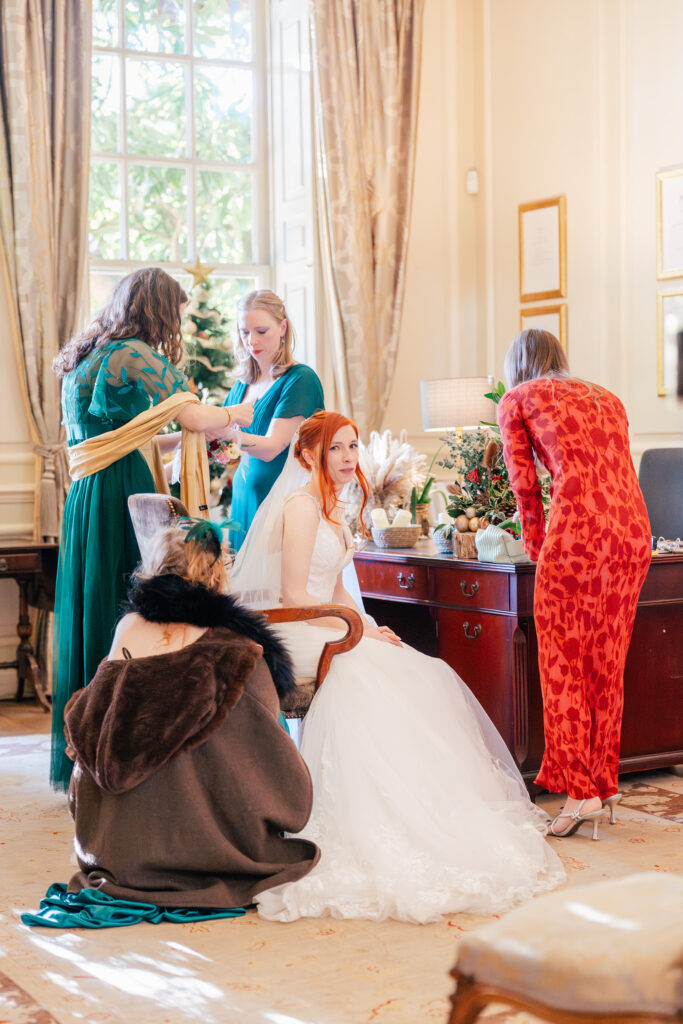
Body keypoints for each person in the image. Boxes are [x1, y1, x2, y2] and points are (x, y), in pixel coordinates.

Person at [230, 411, 565, 924]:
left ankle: (426, 812)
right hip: (293, 630)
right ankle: (362, 814)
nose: (349, 458)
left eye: (353, 447)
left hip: (327, 621)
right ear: (308, 456)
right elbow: (296, 596)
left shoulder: (333, 507)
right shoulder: (299, 507)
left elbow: (336, 587)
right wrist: (350, 631)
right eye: (337, 449)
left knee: (419, 668)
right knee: (368, 676)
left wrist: (364, 624)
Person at [35, 519, 318, 925]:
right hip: (192, 841)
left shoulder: (127, 626)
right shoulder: (233, 646)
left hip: (110, 846)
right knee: (240, 721)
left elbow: (98, 712)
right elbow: (265, 746)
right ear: (216, 570)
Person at [51, 268, 254, 792]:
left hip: (88, 492)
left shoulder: (90, 355)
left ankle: (85, 740)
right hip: (123, 490)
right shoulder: (135, 352)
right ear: (159, 308)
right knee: (129, 597)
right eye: (175, 313)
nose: (177, 325)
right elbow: (192, 417)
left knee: (95, 602)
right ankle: (119, 734)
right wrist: (239, 410)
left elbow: (118, 438)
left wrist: (186, 440)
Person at [497, 329, 651, 838]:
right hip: (632, 532)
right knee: (608, 662)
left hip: (580, 531)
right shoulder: (608, 397)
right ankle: (601, 783)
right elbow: (619, 470)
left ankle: (576, 793)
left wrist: (540, 549)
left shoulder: (519, 398)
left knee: (563, 664)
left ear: (518, 365)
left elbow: (526, 488)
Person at [217, 290, 324, 550]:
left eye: (261, 331)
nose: (251, 340)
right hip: (243, 498)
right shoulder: (242, 384)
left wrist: (226, 435)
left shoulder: (300, 379)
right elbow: (222, 446)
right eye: (244, 332)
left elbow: (272, 447)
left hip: (280, 501)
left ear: (283, 327)